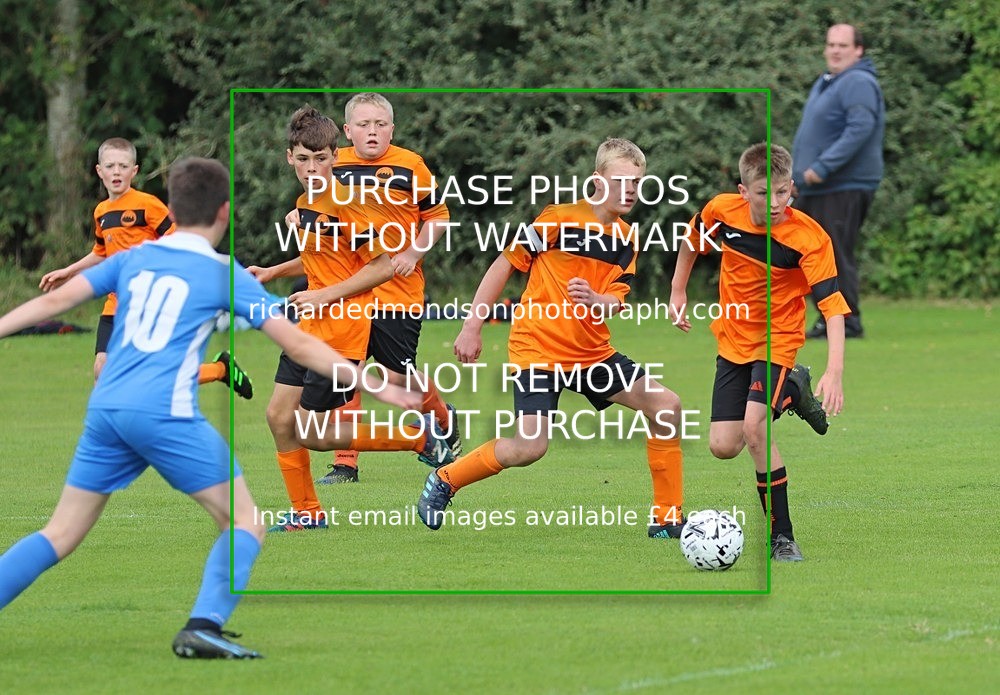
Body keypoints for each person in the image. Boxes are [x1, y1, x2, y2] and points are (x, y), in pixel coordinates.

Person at [0, 157, 419, 658]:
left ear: (170, 208)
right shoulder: (224, 273)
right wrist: (373, 382)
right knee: (246, 522)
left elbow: (52, 304)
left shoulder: (134, 259)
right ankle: (204, 625)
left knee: (61, 532)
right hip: (164, 413)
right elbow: (300, 346)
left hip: (107, 408)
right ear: (224, 213)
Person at [419, 138, 686, 538]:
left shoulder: (628, 239)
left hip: (591, 353)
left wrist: (598, 300)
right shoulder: (558, 219)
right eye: (622, 181)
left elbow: (617, 300)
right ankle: (446, 479)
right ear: (598, 181)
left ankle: (667, 519)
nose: (630, 190)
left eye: (637, 182)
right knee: (529, 447)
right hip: (538, 347)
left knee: (666, 406)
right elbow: (504, 264)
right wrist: (472, 325)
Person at [250, 106, 454, 531]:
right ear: (289, 157)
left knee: (310, 433)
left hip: (339, 332)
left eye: (321, 159)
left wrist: (324, 296)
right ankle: (307, 513)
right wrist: (272, 272)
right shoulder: (306, 202)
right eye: (303, 159)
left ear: (335, 156)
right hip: (309, 328)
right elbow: (323, 258)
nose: (312, 168)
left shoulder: (348, 205)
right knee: (278, 417)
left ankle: (419, 437)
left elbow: (380, 266)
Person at [669, 143, 848, 562]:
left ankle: (781, 537)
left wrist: (835, 369)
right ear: (743, 190)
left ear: (792, 191)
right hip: (733, 339)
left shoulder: (808, 238)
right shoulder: (721, 212)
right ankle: (792, 393)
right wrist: (678, 290)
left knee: (755, 430)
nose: (775, 203)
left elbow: (833, 306)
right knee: (722, 445)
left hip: (778, 341)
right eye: (764, 193)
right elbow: (690, 241)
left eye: (783, 192)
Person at [314, 92, 460, 484]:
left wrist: (413, 252)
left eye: (380, 124)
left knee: (398, 377)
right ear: (347, 131)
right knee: (347, 371)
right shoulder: (333, 165)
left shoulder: (411, 166)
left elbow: (439, 217)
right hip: (350, 291)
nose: (372, 132)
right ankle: (345, 462)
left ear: (392, 129)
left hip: (400, 291)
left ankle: (443, 418)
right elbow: (322, 219)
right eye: (363, 125)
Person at [38, 138, 252, 395]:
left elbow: (180, 239)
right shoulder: (101, 212)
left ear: (134, 171)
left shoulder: (147, 205)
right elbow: (101, 252)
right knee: (101, 368)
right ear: (99, 171)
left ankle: (220, 369)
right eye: (110, 166)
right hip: (116, 303)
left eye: (123, 165)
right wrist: (68, 271)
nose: (116, 171)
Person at [792, 23, 884, 339]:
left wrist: (823, 166)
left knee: (834, 252)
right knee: (808, 251)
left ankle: (847, 321)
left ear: (858, 50)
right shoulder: (830, 81)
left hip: (841, 184)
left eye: (842, 45)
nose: (835, 50)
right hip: (815, 185)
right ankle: (826, 316)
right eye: (831, 44)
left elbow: (860, 129)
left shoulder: (857, 81)